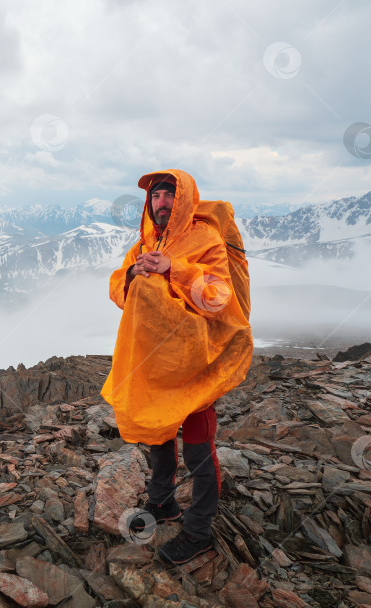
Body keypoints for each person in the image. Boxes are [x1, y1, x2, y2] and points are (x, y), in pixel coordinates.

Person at [100, 169, 253, 565]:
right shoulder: (145, 242)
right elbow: (117, 287)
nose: (161, 202)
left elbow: (218, 297)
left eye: (169, 195)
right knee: (158, 436)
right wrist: (132, 275)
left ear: (183, 199)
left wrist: (174, 269)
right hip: (156, 364)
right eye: (155, 197)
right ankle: (163, 505)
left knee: (199, 448)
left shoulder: (206, 240)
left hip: (195, 362)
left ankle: (199, 531)